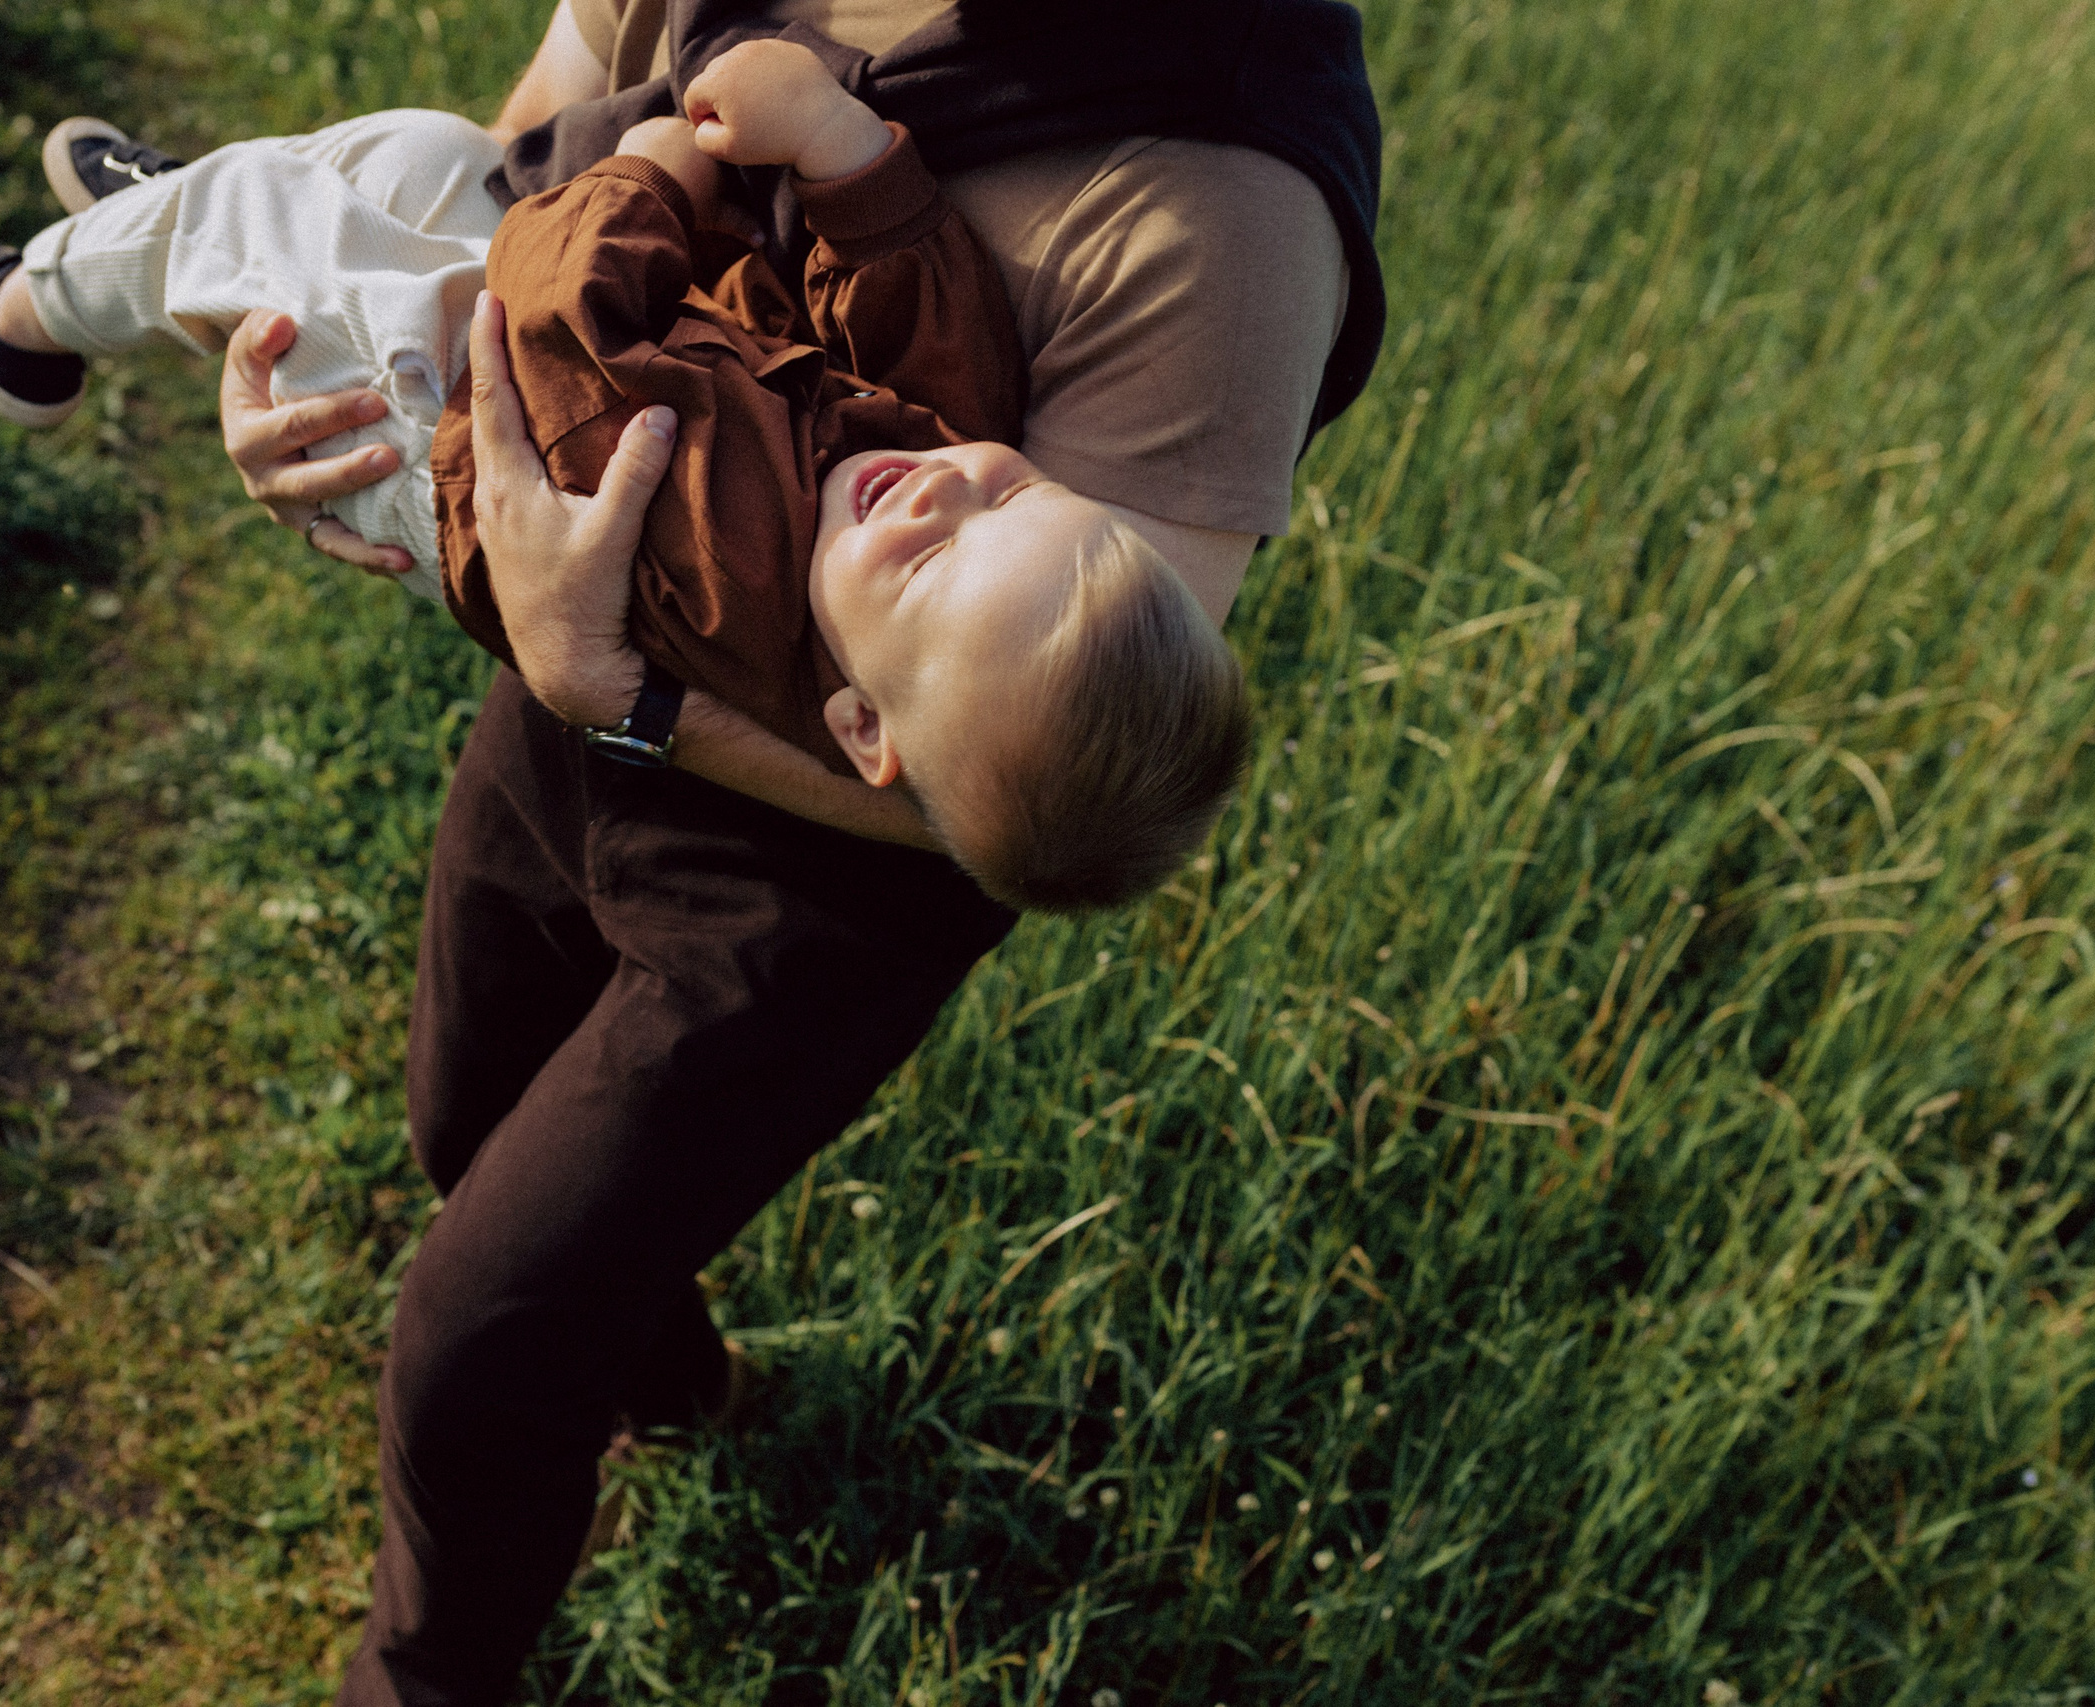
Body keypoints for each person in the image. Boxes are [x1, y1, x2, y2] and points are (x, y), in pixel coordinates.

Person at [208, 3, 1381, 1701]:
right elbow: (489, 203)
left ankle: (424, 1677)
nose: (945, 480)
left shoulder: (1216, 210)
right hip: (581, 677)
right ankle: (674, 1384)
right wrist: (327, 381)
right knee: (466, 1120)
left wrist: (623, 689)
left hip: (818, 886)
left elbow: (1029, 775)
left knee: (477, 1343)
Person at [0, 42, 1247, 908]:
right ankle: (184, 218)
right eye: (1019, 491)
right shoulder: (910, 491)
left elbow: (555, 324)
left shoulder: (707, 545)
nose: (948, 484)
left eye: (942, 550)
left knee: (272, 234)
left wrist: (648, 179)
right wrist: (846, 156)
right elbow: (941, 343)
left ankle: (20, 317)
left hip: (451, 439)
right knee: (430, 154)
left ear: (860, 730)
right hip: (522, 336)